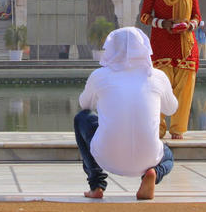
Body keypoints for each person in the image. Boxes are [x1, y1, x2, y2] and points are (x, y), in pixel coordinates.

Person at [74, 27, 177, 200]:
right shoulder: (157, 76)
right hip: (148, 157)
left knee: (81, 119)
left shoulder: (99, 76)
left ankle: (96, 185)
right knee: (168, 158)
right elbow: (171, 109)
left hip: (107, 156)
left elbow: (84, 105)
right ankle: (153, 174)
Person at [138, 0, 200, 139]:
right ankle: (158, 128)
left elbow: (197, 16)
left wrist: (190, 25)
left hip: (185, 46)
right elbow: (144, 16)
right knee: (158, 88)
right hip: (162, 44)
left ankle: (178, 129)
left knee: (184, 89)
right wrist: (163, 23)